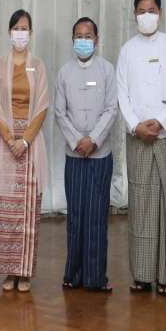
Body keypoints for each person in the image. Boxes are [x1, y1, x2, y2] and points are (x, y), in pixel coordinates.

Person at [116, 0, 166, 296]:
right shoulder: (127, 50)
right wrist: (136, 125)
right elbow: (122, 93)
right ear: (134, 15)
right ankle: (143, 275)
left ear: (160, 13)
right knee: (142, 204)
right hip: (138, 137)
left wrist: (161, 121)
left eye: (152, 10)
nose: (147, 15)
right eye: (142, 11)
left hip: (165, 135)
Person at [54, 17, 117, 292]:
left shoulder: (107, 69)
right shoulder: (64, 72)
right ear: (72, 40)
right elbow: (60, 112)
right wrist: (77, 141)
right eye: (78, 36)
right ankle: (73, 274)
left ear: (96, 39)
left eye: (88, 35)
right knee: (76, 216)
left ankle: (95, 278)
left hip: (100, 155)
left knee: (96, 217)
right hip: (74, 154)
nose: (83, 40)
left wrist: (94, 140)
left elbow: (111, 109)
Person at [0, 9, 49, 293]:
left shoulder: (38, 65)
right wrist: (9, 138)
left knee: (27, 210)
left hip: (30, 144)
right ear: (9, 32)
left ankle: (24, 273)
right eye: (16, 28)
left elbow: (42, 106)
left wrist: (24, 140)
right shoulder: (0, 64)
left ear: (31, 33)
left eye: (25, 28)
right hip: (5, 144)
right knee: (6, 209)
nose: (20, 33)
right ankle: (8, 271)